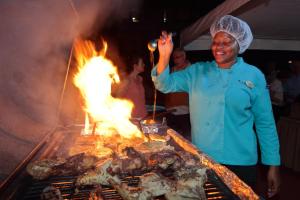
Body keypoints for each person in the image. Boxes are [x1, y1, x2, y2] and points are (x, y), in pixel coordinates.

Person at [151, 15, 280, 197]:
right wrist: (164, 56)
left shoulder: (254, 75)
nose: (219, 47)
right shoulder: (197, 71)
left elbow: (265, 123)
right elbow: (164, 84)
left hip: (241, 162)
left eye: (226, 42)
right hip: (202, 159)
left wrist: (273, 165)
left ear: (239, 45)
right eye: (215, 42)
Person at [164, 48, 191, 139]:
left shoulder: (191, 70)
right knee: (170, 137)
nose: (175, 60)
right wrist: (167, 104)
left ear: (184, 57)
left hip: (185, 111)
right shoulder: (172, 70)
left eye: (177, 57)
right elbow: (167, 88)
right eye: (174, 58)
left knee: (186, 138)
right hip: (171, 110)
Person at [115, 55, 148, 121]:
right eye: (142, 63)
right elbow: (117, 99)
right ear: (135, 66)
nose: (144, 65)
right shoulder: (127, 81)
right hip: (132, 118)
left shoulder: (140, 79)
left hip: (143, 116)